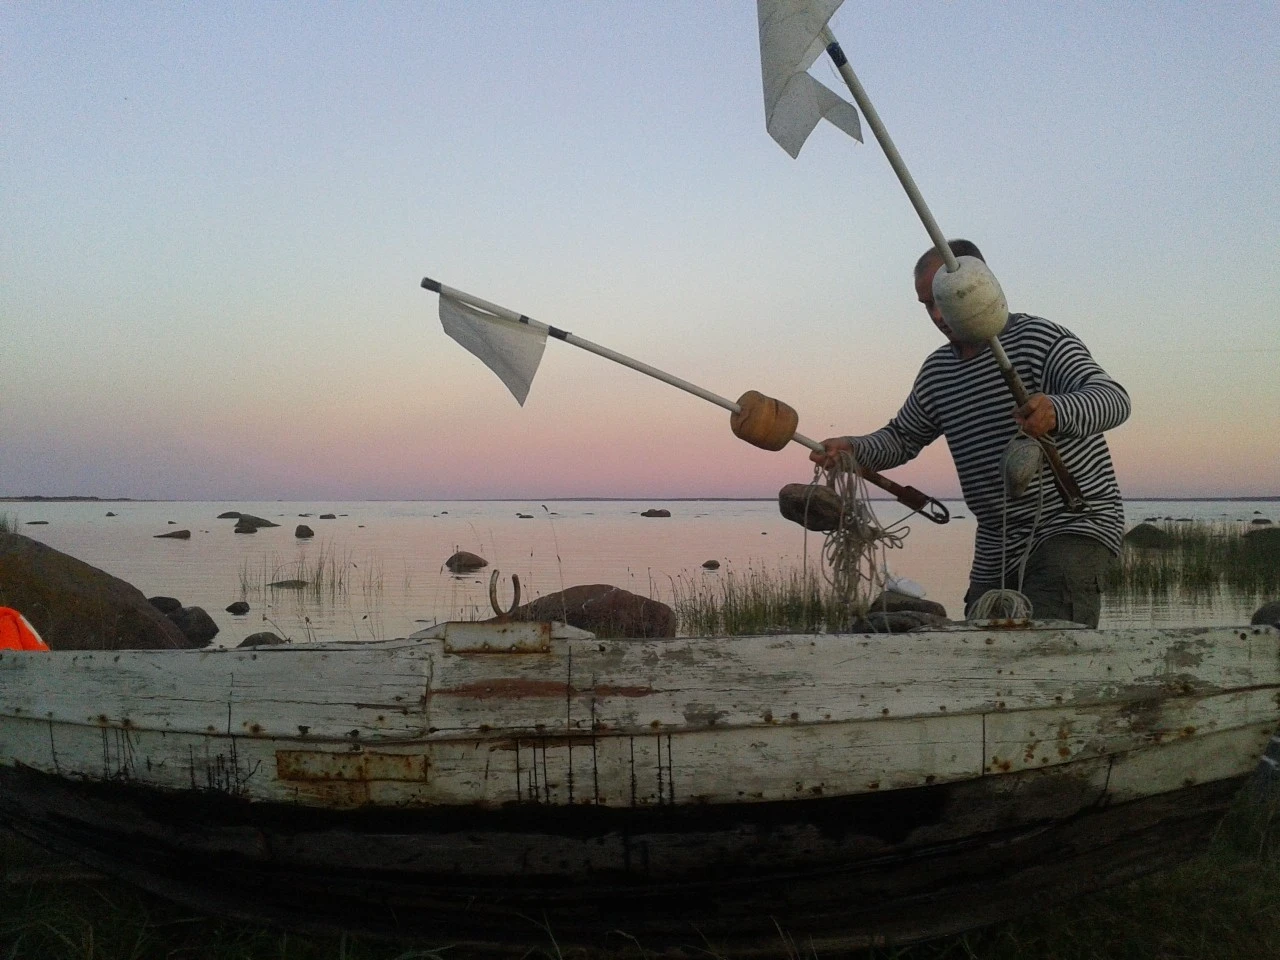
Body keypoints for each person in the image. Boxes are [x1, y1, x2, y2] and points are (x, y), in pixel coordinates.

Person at [812, 240, 1130, 627]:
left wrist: (1056, 410)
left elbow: (1114, 399)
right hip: (997, 540)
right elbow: (901, 438)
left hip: (1071, 525)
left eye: (943, 299)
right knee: (979, 645)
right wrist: (852, 449)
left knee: (1051, 644)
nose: (937, 314)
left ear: (980, 284)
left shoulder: (1040, 339)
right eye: (927, 304)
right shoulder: (938, 372)